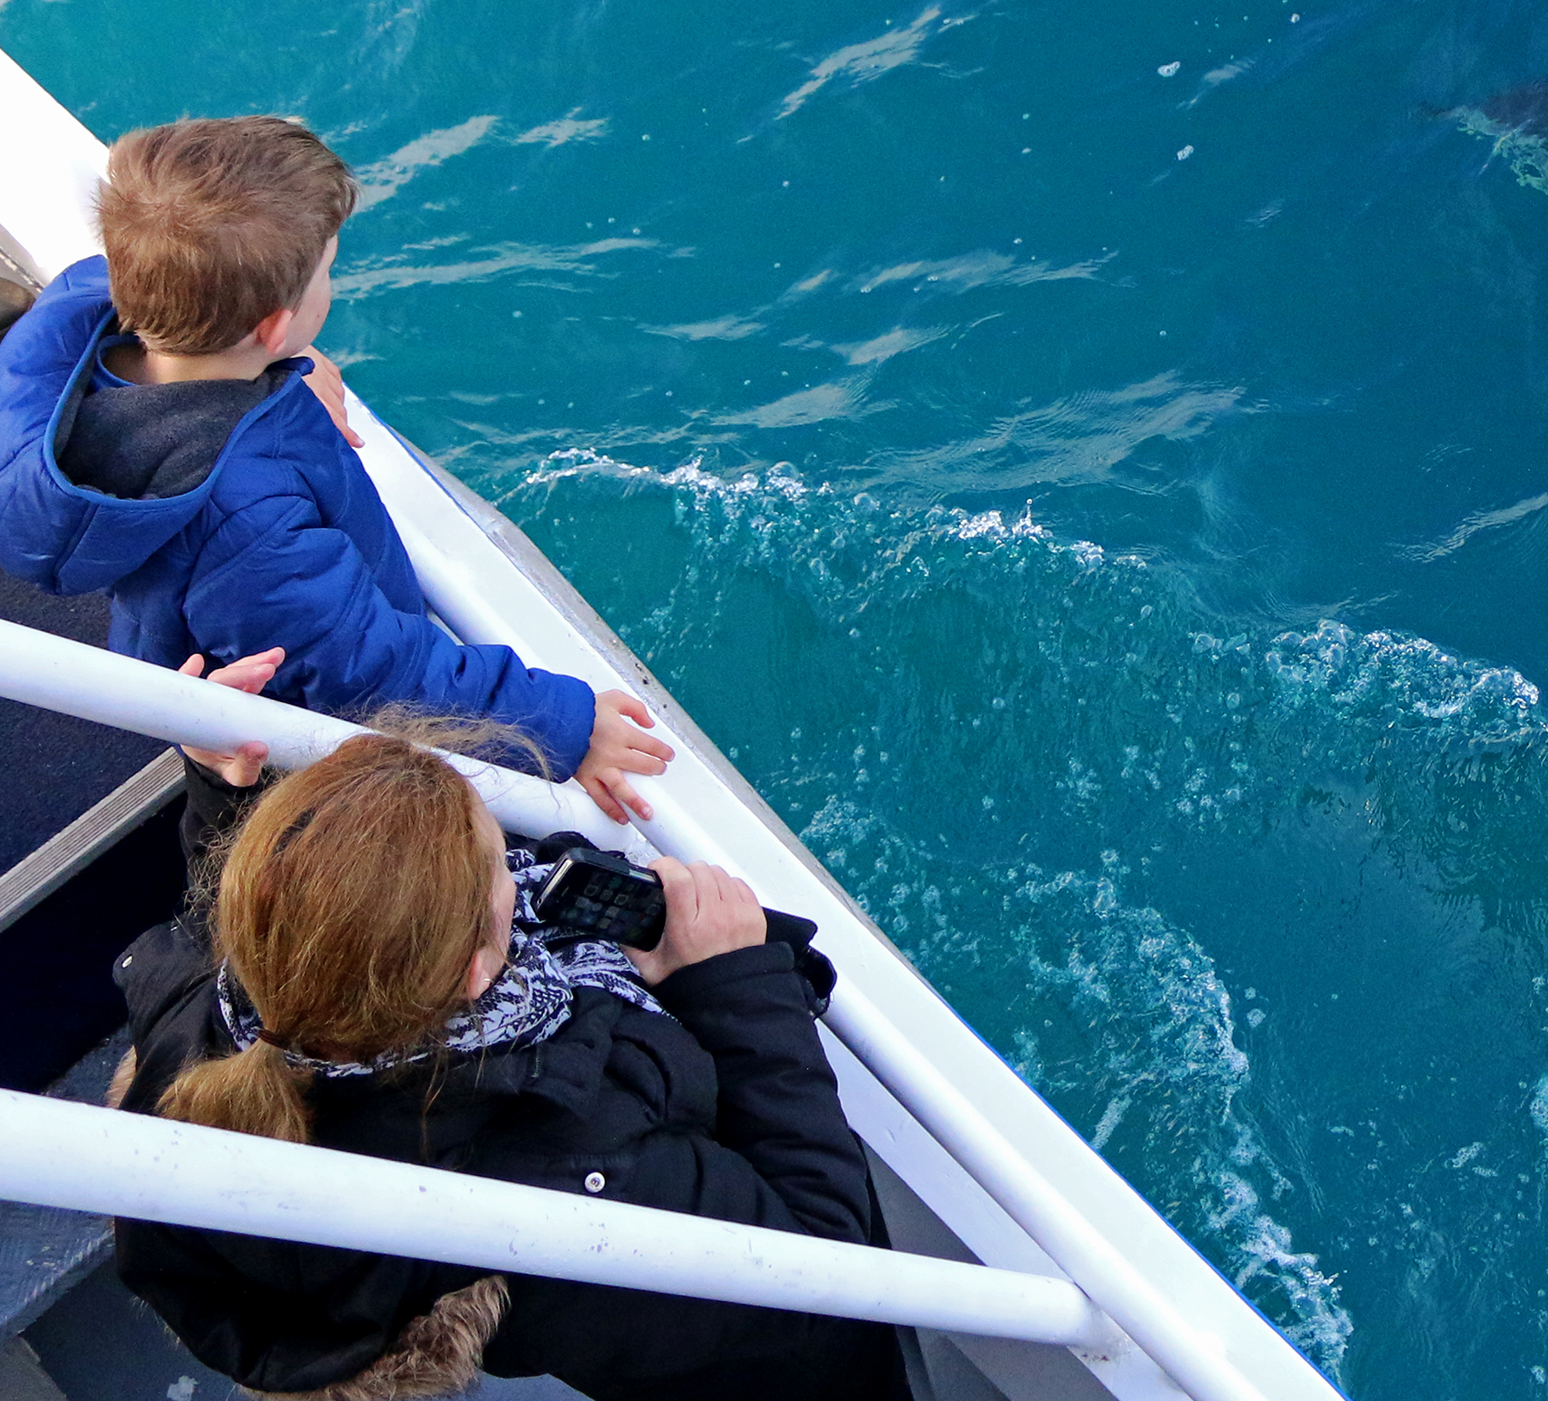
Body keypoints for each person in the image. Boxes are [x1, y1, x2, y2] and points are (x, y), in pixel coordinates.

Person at [111, 675, 912, 1401]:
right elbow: (823, 1259)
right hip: (757, 1365)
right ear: (471, 974)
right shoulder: (573, 1166)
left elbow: (280, 917)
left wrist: (222, 791)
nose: (523, 866)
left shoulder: (219, 1010)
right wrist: (732, 983)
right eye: (499, 863)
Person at [0, 115, 670, 819]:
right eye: (328, 270)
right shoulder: (249, 520)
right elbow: (372, 671)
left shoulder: (66, 321)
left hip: (181, 627)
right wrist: (564, 726)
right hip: (279, 724)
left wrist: (271, 370)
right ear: (272, 324)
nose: (332, 281)